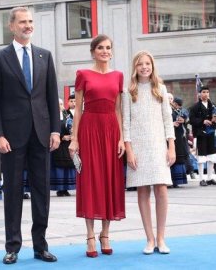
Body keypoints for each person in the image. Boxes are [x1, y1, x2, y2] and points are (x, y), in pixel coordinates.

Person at [0, 6, 60, 264]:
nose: (27, 25)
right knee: (14, 192)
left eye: (30, 21)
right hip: (11, 137)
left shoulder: (44, 56)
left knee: (42, 191)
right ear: (12, 26)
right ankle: (12, 247)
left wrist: (55, 130)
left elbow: (52, 96)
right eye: (22, 22)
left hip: (41, 134)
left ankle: (40, 246)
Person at [68, 34, 125, 258]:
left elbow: (119, 109)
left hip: (111, 131)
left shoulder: (118, 76)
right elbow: (78, 109)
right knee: (90, 181)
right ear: (93, 51)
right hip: (89, 130)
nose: (104, 51)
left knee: (110, 180)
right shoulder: (83, 74)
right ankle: (90, 235)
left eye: (108, 48)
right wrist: (74, 138)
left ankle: (105, 233)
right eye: (100, 48)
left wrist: (121, 138)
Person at [123, 50, 176, 255]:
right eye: (140, 64)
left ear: (152, 66)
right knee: (142, 191)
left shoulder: (160, 89)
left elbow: (167, 120)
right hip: (137, 147)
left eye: (147, 64)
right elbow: (125, 124)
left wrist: (171, 146)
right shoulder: (128, 92)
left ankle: (161, 238)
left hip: (157, 146)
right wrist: (129, 151)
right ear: (135, 68)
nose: (144, 67)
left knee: (161, 189)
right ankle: (149, 238)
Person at [189, 86, 216, 186]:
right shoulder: (195, 107)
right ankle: (201, 179)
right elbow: (191, 120)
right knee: (201, 156)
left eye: (207, 92)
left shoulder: (212, 105)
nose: (206, 94)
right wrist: (203, 121)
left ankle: (209, 177)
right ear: (200, 94)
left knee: (212, 156)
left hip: (211, 133)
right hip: (201, 134)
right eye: (204, 92)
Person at [51, 98, 76, 197]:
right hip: (58, 145)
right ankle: (60, 189)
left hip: (66, 145)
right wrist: (62, 137)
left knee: (67, 166)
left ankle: (66, 188)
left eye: (61, 104)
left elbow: (70, 126)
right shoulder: (52, 116)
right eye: (58, 104)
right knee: (59, 167)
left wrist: (72, 134)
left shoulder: (66, 115)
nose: (60, 106)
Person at [170, 97, 189, 188]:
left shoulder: (180, 111)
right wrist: (172, 124)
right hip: (169, 137)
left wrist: (184, 120)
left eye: (171, 99)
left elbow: (187, 117)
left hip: (179, 137)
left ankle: (177, 180)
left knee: (179, 157)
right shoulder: (166, 110)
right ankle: (170, 181)